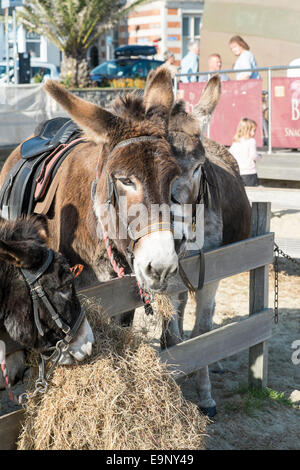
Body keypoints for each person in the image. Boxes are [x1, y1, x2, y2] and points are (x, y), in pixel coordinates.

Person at [229, 118, 262, 186]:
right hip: (249, 173)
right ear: (248, 130)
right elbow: (253, 156)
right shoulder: (251, 141)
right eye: (254, 130)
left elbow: (230, 154)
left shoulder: (236, 141)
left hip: (238, 173)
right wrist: (259, 156)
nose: (254, 133)